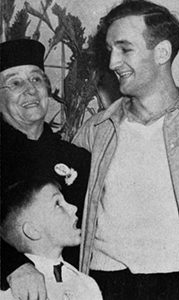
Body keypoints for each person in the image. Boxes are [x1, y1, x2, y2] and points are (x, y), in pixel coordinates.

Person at [72, 1, 179, 299]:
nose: (113, 62)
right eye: (110, 49)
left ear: (162, 53)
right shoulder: (94, 131)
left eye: (125, 49)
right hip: (105, 284)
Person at [0, 39, 91, 299]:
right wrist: (11, 265)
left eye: (36, 80)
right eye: (15, 83)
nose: (30, 90)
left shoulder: (77, 158)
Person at [0, 178, 102, 300]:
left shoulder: (87, 284)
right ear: (33, 230)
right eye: (58, 204)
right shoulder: (13, 291)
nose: (74, 207)